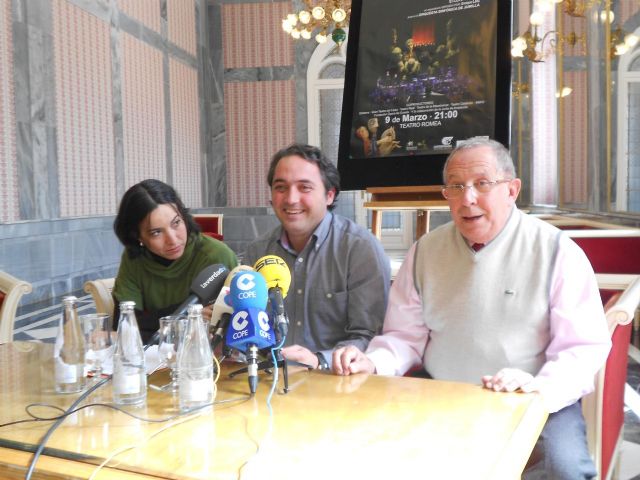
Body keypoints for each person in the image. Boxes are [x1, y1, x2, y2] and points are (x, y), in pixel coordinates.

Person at [333, 137, 611, 479]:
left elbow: (581, 348)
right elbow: (403, 337)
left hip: (535, 395)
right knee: (366, 448)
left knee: (564, 467)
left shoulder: (556, 250)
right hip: (440, 389)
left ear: (512, 190)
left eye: (482, 183)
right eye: (456, 186)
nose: (467, 198)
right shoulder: (425, 252)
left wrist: (539, 389)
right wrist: (373, 361)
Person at [243, 144, 390, 370]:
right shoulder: (258, 252)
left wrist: (320, 361)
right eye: (281, 187)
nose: (291, 199)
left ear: (329, 195)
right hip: (268, 378)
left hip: (338, 381)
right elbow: (248, 325)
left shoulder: (360, 249)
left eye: (304, 187)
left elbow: (370, 337)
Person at [112, 179, 238, 343]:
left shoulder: (217, 256)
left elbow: (233, 326)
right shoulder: (134, 259)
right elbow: (124, 328)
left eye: (176, 223)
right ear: (137, 236)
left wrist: (151, 322)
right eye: (156, 232)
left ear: (184, 217)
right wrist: (191, 316)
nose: (172, 240)